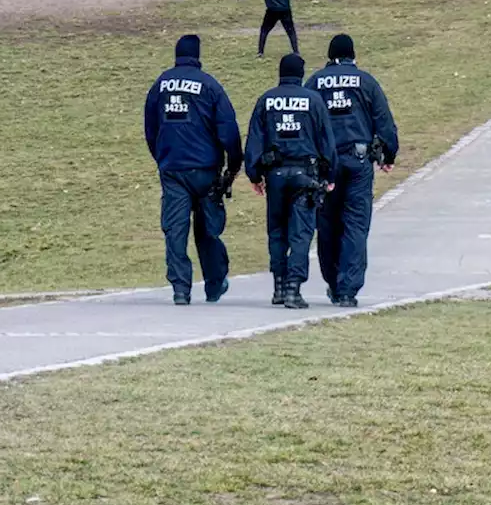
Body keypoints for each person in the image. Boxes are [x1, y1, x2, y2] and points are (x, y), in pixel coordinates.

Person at [144, 35, 243, 306]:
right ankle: (214, 283)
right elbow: (228, 129)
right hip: (206, 170)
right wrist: (233, 166)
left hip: (173, 169)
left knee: (175, 229)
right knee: (208, 230)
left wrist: (163, 158)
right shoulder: (209, 85)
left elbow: (151, 130)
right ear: (198, 56)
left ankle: (180, 288)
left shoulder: (160, 85)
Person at [305, 34, 398, 307]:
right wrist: (388, 155)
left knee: (327, 224)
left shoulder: (315, 82)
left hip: (324, 166)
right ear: (352, 56)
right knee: (356, 225)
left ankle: (333, 283)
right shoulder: (366, 82)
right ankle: (348, 289)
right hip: (358, 163)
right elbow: (384, 122)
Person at [244, 53, 337, 309]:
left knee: (277, 231)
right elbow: (326, 141)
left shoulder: (267, 100)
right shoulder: (313, 100)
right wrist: (330, 175)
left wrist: (254, 175)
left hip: (274, 175)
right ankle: (294, 289)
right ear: (300, 74)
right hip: (305, 175)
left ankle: (279, 286)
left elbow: (254, 140)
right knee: (301, 233)